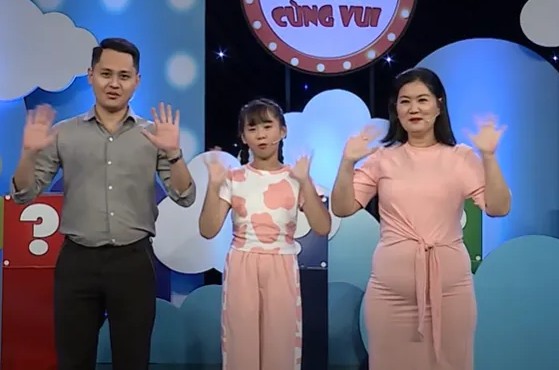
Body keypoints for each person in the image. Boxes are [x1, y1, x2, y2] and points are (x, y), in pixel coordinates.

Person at [10, 38, 196, 370]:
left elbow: (185, 196)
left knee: (132, 360)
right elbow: (24, 194)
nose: (114, 83)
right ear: (90, 75)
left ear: (137, 81)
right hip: (77, 261)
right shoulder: (64, 133)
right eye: (106, 73)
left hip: (133, 261)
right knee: (73, 360)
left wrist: (174, 153)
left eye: (124, 76)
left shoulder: (154, 135)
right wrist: (28, 154)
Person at [331, 68, 511, 370]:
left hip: (450, 292)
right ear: (396, 110)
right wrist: (347, 163)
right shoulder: (383, 159)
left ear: (439, 105)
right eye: (405, 101)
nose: (414, 108)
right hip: (390, 295)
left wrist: (489, 157)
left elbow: (499, 208)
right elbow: (342, 207)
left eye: (422, 100)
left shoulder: (461, 157)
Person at [199, 99, 332, 370]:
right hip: (242, 262)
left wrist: (305, 182)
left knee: (281, 340)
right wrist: (213, 187)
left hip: (282, 263)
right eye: (252, 128)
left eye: (268, 126)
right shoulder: (233, 178)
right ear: (243, 136)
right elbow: (208, 230)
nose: (260, 135)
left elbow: (322, 227)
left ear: (282, 131)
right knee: (240, 339)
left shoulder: (296, 177)